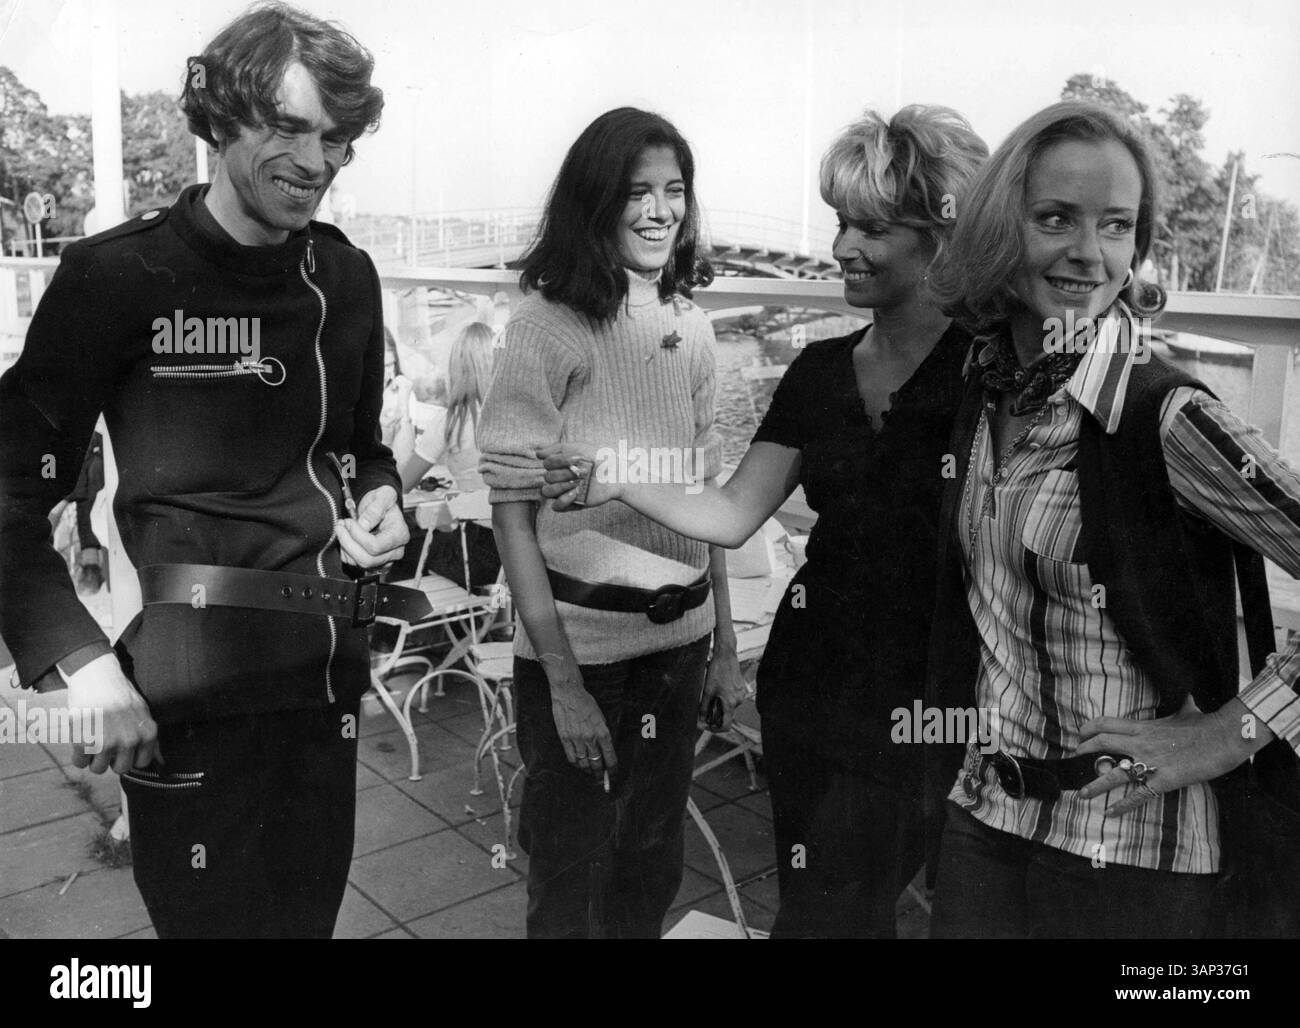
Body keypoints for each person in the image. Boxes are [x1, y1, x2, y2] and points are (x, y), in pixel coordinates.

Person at [0, 1, 414, 938]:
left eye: (337, 139)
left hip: (323, 688)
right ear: (223, 119)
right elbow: (9, 487)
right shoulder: (118, 278)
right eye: (288, 129)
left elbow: (361, 448)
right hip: (186, 697)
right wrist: (78, 662)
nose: (316, 163)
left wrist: (382, 500)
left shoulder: (344, 279)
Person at [541, 105, 988, 937]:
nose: (843, 247)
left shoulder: (993, 374)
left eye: (874, 228)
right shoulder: (819, 371)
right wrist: (616, 479)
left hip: (936, 692)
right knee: (825, 897)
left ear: (939, 236)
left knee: (847, 908)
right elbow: (734, 512)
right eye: (841, 223)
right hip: (811, 683)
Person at [922, 100, 1300, 938]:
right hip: (987, 816)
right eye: (1055, 218)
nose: (1088, 254)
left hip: (1132, 853)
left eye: (1116, 226)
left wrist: (1230, 734)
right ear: (997, 228)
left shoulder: (1162, 414)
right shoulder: (986, 389)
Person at [477, 106, 746, 939]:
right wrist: (560, 683)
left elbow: (708, 508)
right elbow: (512, 522)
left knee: (650, 864)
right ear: (596, 204)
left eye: (674, 190)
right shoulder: (543, 330)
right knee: (567, 876)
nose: (660, 210)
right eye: (637, 192)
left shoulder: (693, 329)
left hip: (681, 644)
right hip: (581, 657)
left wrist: (725, 649)